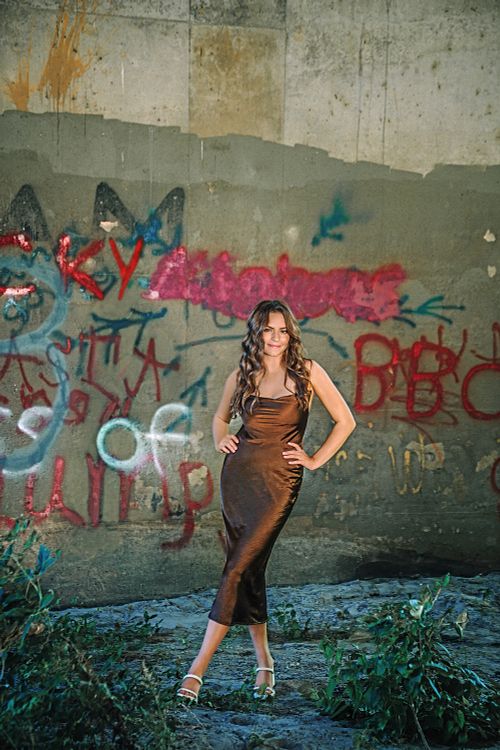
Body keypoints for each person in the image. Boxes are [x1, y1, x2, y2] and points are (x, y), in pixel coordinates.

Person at [176, 299, 356, 704]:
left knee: (237, 567)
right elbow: (220, 419)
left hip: (280, 484)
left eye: (282, 330)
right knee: (248, 568)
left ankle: (197, 670)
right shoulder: (243, 374)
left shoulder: (307, 372)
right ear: (256, 333)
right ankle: (264, 662)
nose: (275, 338)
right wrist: (220, 438)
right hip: (239, 478)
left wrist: (314, 459)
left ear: (290, 334)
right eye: (268, 330)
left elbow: (346, 421)